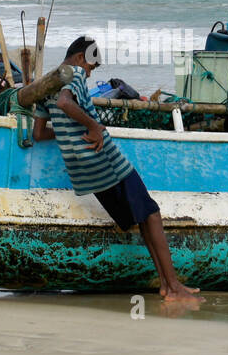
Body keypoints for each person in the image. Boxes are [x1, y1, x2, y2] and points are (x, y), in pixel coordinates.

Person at [32, 36, 202, 303]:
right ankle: (174, 287)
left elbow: (39, 133)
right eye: (91, 68)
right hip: (106, 159)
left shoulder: (45, 85)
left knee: (144, 217)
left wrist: (72, 135)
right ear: (79, 58)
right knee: (153, 214)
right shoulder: (74, 73)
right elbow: (66, 103)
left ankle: (168, 286)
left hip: (86, 171)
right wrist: (94, 126)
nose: (88, 74)